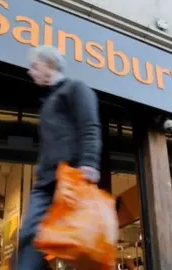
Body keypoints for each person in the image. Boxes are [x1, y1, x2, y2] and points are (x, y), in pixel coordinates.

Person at [16, 45, 102, 270]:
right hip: (46, 182)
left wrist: (89, 162)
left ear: (49, 65)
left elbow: (90, 126)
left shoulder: (75, 89)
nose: (30, 71)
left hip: (71, 177)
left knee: (79, 245)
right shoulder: (47, 103)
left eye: (34, 66)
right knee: (30, 237)